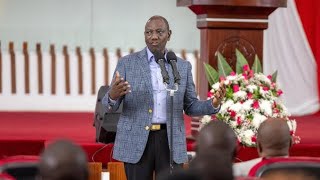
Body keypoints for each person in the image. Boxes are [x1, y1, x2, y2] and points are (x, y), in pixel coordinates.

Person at [102, 15, 226, 180]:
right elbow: (108, 105)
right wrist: (112, 95)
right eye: (149, 32)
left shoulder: (181, 67)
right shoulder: (127, 63)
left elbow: (190, 106)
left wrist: (213, 104)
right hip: (136, 140)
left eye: (159, 32)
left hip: (170, 140)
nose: (153, 36)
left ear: (169, 34)